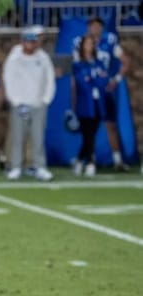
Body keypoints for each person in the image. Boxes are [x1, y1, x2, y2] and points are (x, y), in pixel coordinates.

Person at [72, 17, 131, 171]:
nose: (96, 29)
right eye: (93, 26)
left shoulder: (109, 42)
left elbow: (125, 61)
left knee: (110, 125)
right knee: (89, 129)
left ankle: (117, 160)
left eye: (98, 26)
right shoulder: (80, 43)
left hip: (104, 91)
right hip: (87, 94)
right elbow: (77, 70)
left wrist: (115, 80)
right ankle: (88, 160)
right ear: (88, 27)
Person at [3, 28, 55, 181]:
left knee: (38, 137)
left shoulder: (43, 57)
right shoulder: (15, 57)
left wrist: (45, 100)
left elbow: (49, 79)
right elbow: (8, 79)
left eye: (33, 42)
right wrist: (16, 101)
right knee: (18, 137)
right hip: (20, 105)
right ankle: (16, 167)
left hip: (38, 104)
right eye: (28, 42)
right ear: (22, 42)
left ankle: (40, 167)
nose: (31, 45)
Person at [71, 35, 108, 178]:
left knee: (91, 134)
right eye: (87, 44)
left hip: (98, 103)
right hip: (85, 104)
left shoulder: (99, 63)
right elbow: (82, 83)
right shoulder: (78, 65)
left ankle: (79, 160)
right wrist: (95, 80)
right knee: (88, 134)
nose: (89, 46)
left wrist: (93, 80)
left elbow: (103, 81)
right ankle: (91, 163)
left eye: (91, 44)